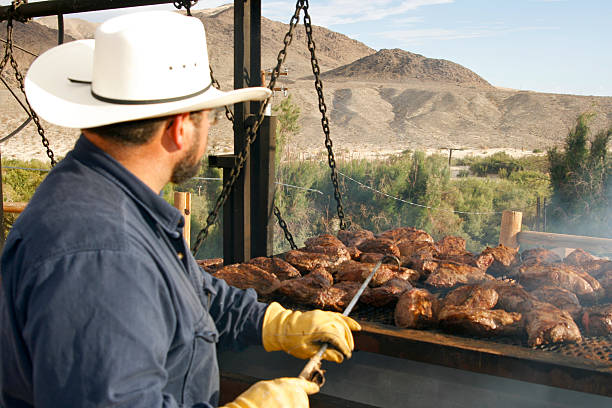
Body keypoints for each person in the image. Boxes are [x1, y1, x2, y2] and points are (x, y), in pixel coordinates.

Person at [0, 11, 360, 408]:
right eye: (208, 117)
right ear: (179, 128)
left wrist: (273, 324)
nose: (210, 129)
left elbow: (187, 291)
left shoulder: (114, 200)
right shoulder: (102, 254)